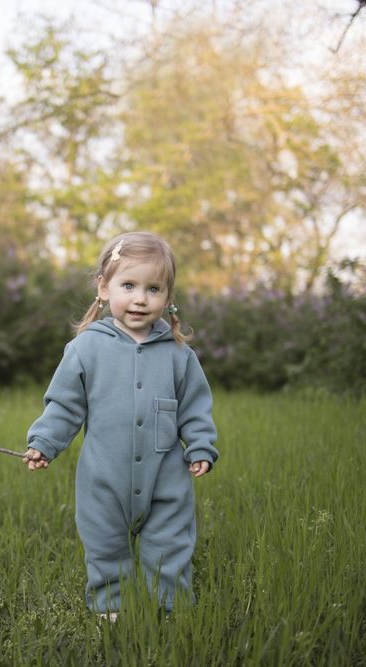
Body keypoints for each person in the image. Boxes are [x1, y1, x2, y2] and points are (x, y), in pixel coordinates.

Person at [23, 231, 219, 618]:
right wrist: (44, 441)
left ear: (168, 296)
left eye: (153, 288)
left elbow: (195, 407)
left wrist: (200, 445)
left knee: (170, 543)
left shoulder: (179, 355)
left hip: (167, 478)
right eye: (128, 285)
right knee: (105, 543)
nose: (140, 298)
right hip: (103, 477)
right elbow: (65, 404)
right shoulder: (85, 349)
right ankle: (110, 609)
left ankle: (171, 609)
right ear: (103, 287)